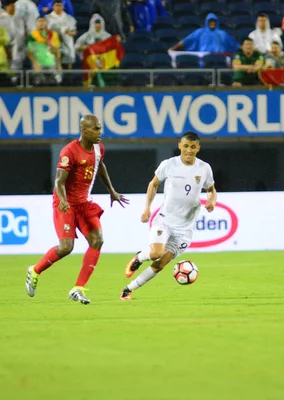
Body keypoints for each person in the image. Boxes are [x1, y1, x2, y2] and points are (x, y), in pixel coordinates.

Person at [25, 115, 129, 304]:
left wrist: (111, 190)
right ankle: (35, 270)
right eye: (96, 129)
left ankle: (78, 289)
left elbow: (100, 166)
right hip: (65, 203)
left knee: (97, 240)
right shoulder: (69, 151)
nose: (100, 132)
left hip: (84, 203)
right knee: (66, 248)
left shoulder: (98, 149)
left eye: (100, 128)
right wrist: (63, 201)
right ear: (85, 130)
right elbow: (59, 181)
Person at [120, 132, 217, 301]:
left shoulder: (204, 168)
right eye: (185, 146)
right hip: (165, 220)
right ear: (180, 145)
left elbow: (211, 189)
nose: (189, 150)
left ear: (198, 148)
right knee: (156, 253)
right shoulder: (169, 165)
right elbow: (154, 184)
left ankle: (128, 289)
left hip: (185, 229)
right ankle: (138, 258)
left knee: (161, 263)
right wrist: (147, 208)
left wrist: (211, 201)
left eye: (193, 147)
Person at [170, 13, 239, 53]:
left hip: (220, 58)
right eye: (210, 21)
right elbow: (186, 41)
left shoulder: (223, 33)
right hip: (204, 59)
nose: (212, 23)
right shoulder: (200, 32)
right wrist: (173, 48)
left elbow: (234, 44)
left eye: (214, 21)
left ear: (217, 22)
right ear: (207, 22)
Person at [0, 0, 28, 78]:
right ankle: (10, 80)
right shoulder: (0, 19)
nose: (13, 7)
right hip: (7, 46)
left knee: (18, 65)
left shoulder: (20, 17)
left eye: (13, 5)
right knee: (10, 67)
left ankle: (17, 80)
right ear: (6, 7)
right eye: (10, 6)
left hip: (21, 45)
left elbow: (24, 30)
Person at [27, 16, 62, 86]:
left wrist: (58, 64)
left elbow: (57, 50)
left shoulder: (52, 34)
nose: (41, 23)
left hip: (51, 63)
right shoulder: (32, 35)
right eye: (39, 21)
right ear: (36, 23)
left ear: (46, 23)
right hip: (38, 64)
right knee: (38, 84)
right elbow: (29, 52)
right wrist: (35, 63)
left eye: (43, 21)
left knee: (55, 84)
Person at [46, 0, 77, 69]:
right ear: (53, 7)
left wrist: (68, 33)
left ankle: (69, 78)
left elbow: (74, 32)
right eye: (57, 5)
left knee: (68, 62)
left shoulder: (69, 18)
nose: (58, 7)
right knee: (53, 63)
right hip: (53, 44)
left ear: (63, 6)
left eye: (60, 5)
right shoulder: (47, 18)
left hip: (66, 43)